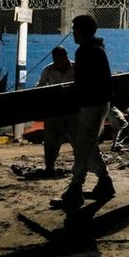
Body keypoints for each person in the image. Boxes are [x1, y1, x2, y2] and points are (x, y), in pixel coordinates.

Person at [54, 15, 116, 210]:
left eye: (74, 29)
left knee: (82, 147)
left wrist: (68, 91)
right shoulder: (97, 49)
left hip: (92, 105)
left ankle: (75, 189)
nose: (72, 32)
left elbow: (84, 83)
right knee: (87, 144)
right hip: (98, 103)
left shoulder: (85, 51)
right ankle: (104, 182)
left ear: (82, 31)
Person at [36, 46, 75, 177]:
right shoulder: (48, 69)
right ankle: (50, 167)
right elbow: (40, 87)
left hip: (72, 111)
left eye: (59, 59)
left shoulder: (76, 68)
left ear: (66, 57)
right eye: (55, 59)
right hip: (54, 111)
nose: (57, 62)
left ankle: (81, 166)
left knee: (77, 140)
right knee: (51, 140)